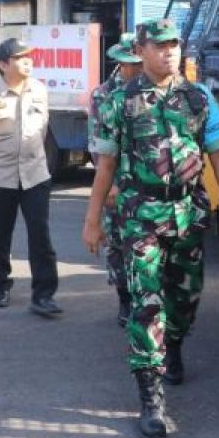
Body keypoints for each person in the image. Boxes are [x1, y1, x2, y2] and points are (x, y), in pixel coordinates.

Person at [82, 18, 219, 438]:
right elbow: (106, 165)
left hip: (188, 211)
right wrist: (93, 219)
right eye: (159, 45)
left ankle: (173, 344)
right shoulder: (120, 100)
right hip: (140, 214)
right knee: (147, 302)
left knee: (186, 297)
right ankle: (151, 399)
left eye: (173, 44)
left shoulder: (198, 98)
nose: (168, 51)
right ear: (142, 50)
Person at [0, 37, 61, 317]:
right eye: (20, 57)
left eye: (30, 56)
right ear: (3, 64)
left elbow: (41, 130)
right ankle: (1, 283)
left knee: (40, 236)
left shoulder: (39, 90)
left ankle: (44, 294)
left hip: (35, 174)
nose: (28, 61)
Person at [88, 33, 144, 326]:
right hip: (117, 182)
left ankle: (145, 301)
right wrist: (107, 184)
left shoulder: (153, 91)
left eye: (134, 62)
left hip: (147, 185)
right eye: (124, 63)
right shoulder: (104, 94)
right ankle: (124, 299)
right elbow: (98, 145)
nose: (129, 68)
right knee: (118, 245)